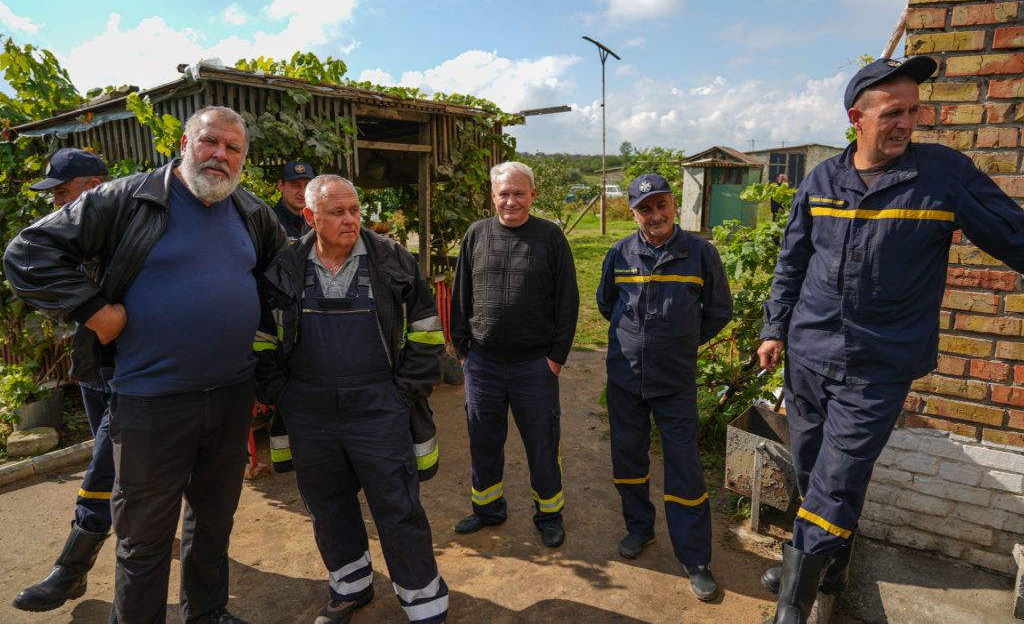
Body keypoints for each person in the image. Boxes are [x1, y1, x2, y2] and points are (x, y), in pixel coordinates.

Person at [756, 56, 1024, 624]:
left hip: (878, 364)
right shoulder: (823, 180)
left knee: (839, 475)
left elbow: (1013, 233)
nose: (906, 122)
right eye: (892, 112)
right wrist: (774, 328)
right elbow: (792, 260)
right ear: (857, 117)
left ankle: (792, 605)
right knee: (810, 467)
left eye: (914, 110)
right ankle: (823, 560)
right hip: (808, 354)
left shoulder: (944, 177)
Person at [4, 106, 286, 623]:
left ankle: (207, 613)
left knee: (213, 521)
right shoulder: (125, 199)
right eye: (210, 142)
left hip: (230, 394)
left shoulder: (252, 212)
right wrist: (93, 310)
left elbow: (277, 284)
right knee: (143, 536)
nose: (220, 155)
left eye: (233, 148)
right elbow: (28, 251)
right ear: (184, 142)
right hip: (151, 402)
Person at [254, 174, 448, 623]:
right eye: (337, 212)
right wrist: (283, 394)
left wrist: (402, 394)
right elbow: (262, 340)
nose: (350, 220)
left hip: (379, 408)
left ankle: (424, 602)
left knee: (397, 507)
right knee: (328, 506)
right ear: (310, 217)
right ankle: (351, 586)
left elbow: (426, 330)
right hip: (310, 412)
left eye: (355, 210)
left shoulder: (393, 260)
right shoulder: (284, 267)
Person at [596, 173, 732, 602]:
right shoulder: (619, 253)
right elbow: (606, 304)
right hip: (625, 379)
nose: (655, 215)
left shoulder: (700, 254)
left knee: (684, 467)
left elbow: (719, 311)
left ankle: (695, 558)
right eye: (645, 208)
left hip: (675, 382)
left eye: (662, 205)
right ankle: (639, 529)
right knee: (628, 459)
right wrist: (636, 343)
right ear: (633, 212)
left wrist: (680, 342)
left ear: (674, 206)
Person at [449, 160, 579, 548]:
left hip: (534, 366)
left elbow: (567, 301)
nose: (511, 201)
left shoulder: (551, 237)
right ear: (493, 196)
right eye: (503, 193)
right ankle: (488, 509)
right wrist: (463, 350)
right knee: (483, 440)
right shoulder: (476, 235)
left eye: (519, 193)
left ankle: (549, 514)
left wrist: (556, 356)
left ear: (533, 196)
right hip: (483, 364)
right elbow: (460, 296)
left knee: (542, 443)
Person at [12, 148, 114, 613]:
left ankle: (71, 568)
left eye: (63, 193)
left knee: (105, 462)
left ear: (93, 189)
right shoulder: (70, 237)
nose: (56, 204)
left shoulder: (135, 230)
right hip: (94, 369)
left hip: (136, 371)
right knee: (107, 454)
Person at [274, 159, 315, 240]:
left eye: (307, 185)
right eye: (296, 185)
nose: (303, 193)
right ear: (281, 185)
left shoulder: (315, 220)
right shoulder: (271, 221)